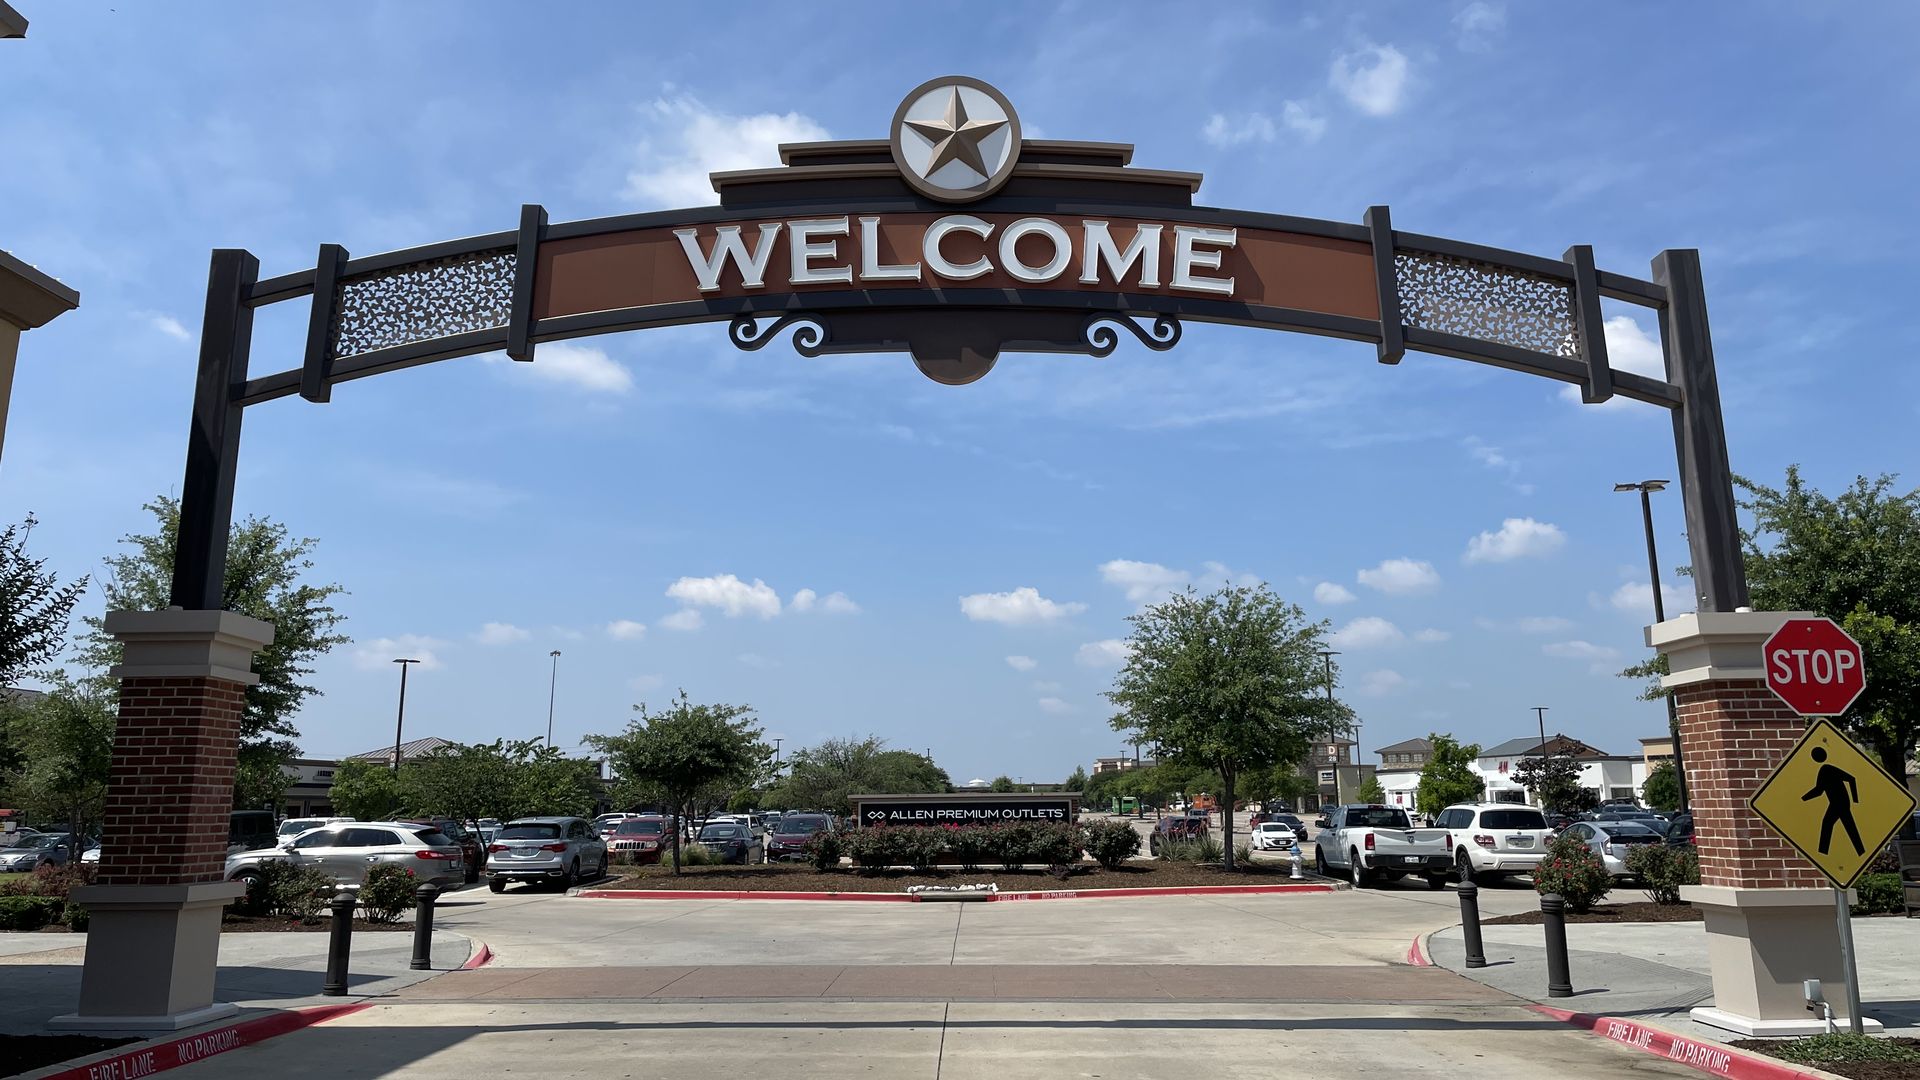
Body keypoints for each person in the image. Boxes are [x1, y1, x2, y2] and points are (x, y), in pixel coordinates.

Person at [1801, 746, 1863, 857]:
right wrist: (1803, 798)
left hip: (1840, 803)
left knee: (1829, 824)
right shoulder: (1825, 769)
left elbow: (1852, 779)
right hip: (1838, 803)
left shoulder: (1827, 769)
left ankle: (1823, 853)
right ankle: (1860, 852)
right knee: (1846, 827)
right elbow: (1819, 791)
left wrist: (1856, 800)